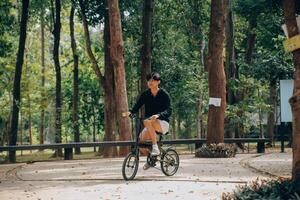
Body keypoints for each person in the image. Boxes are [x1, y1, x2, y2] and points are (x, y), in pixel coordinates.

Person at [125, 72, 172, 170]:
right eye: (149, 80)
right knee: (140, 141)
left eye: (153, 80)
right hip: (149, 124)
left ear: (158, 82)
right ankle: (152, 159)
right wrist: (131, 112)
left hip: (162, 123)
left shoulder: (164, 94)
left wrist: (158, 115)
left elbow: (169, 110)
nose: (150, 82)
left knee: (147, 121)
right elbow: (137, 106)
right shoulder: (145, 94)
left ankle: (155, 147)